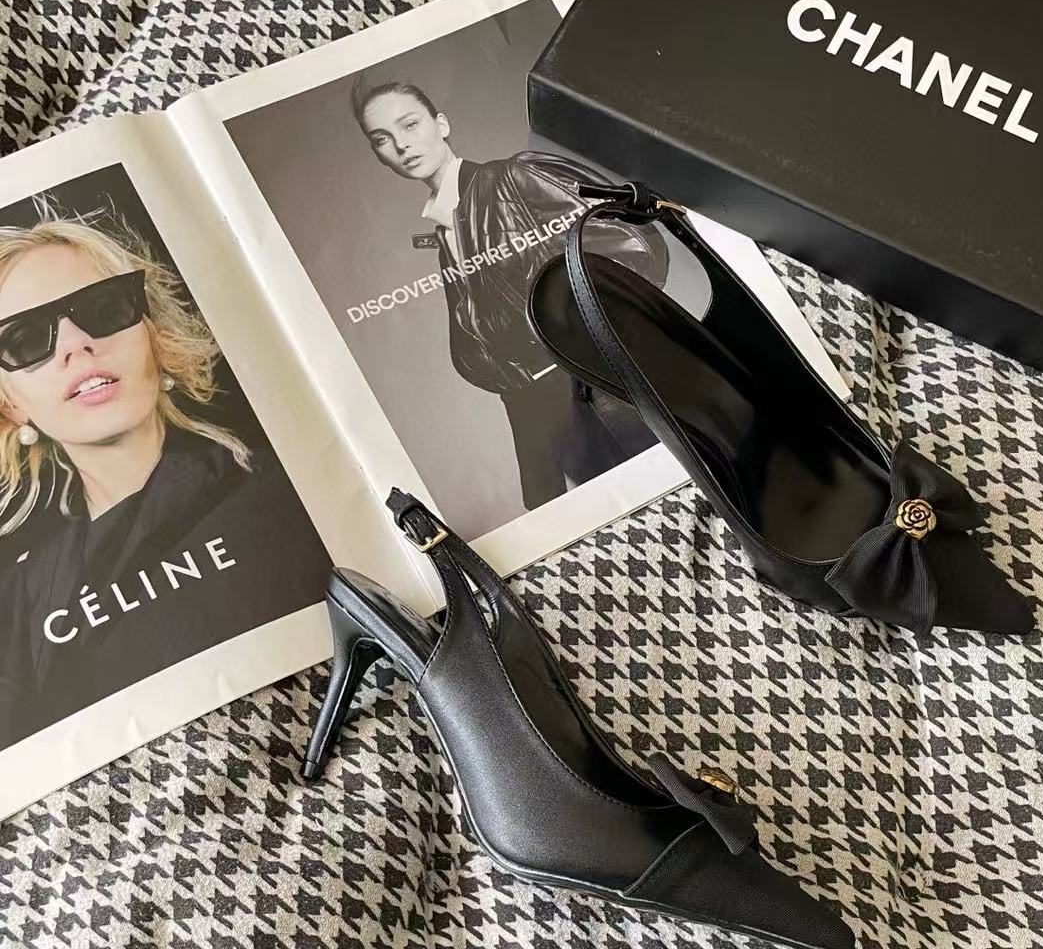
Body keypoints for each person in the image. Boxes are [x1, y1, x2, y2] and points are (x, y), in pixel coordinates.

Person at [0, 213, 331, 750]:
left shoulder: (290, 494)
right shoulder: (16, 604)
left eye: (104, 308)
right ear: (10, 403)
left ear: (153, 337)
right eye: (26, 338)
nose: (77, 344)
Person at [352, 77, 668, 511]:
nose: (401, 145)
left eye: (409, 125)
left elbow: (636, 247)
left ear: (441, 125)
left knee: (648, 503)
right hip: (529, 408)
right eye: (382, 139)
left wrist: (567, 337)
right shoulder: (446, 228)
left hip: (591, 389)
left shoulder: (512, 179)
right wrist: (492, 368)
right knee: (563, 521)